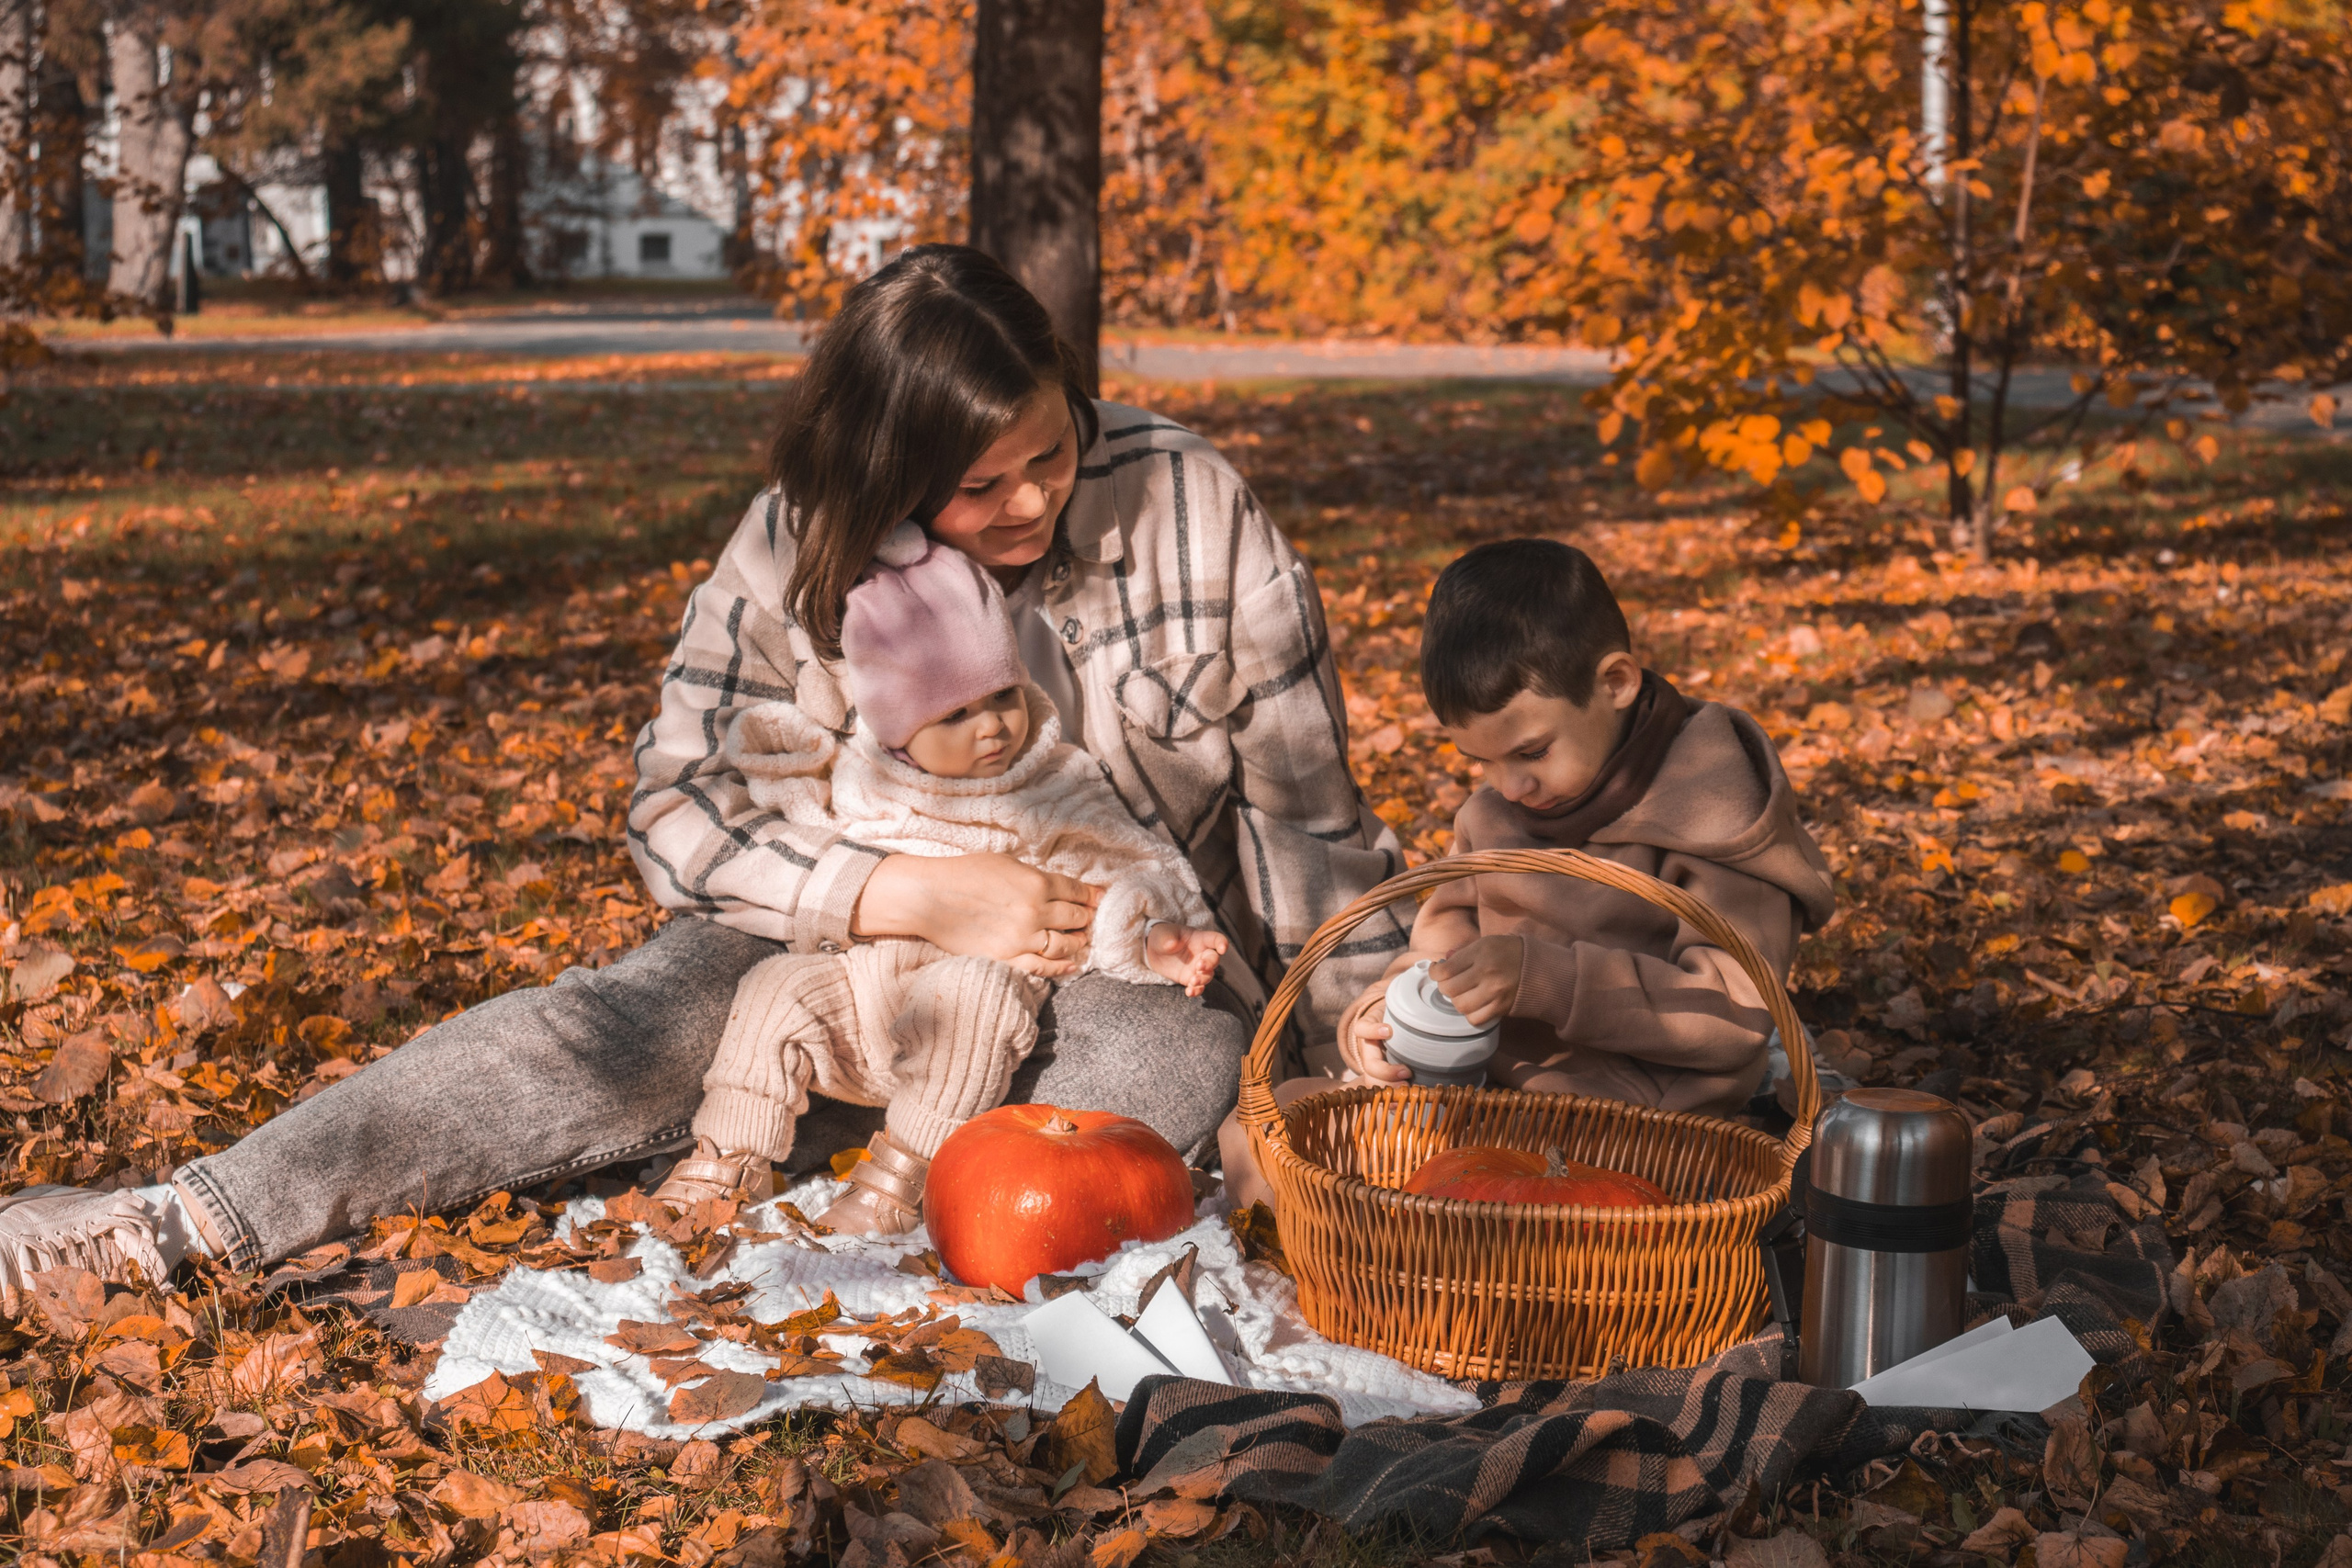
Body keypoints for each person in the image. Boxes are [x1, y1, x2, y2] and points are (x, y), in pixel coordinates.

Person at [0, 244, 1407, 1310]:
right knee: (625, 1028)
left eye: (1051, 452)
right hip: (836, 942)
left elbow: (1301, 810)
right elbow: (681, 816)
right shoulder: (796, 543)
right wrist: (901, 891)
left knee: (1165, 1063)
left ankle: (815, 1180)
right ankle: (185, 1218)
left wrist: (1363, 1027)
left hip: (1114, 969)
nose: (1032, 503)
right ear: (890, 476)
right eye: (981, 489)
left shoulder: (1191, 506)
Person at [1220, 538, 1834, 1208]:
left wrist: (1542, 977)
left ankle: (1397, 1275)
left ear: (1616, 683)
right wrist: (1383, 1019)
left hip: (1636, 1138)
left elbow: (1731, 1014)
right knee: (1267, 1124)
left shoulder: (1711, 806)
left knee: (1492, 1220)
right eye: (1480, 761)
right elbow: (1435, 953)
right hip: (1481, 1104)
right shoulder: (1497, 817)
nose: (1508, 786)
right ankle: (1310, 1282)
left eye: (1530, 751)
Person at [658, 520, 1227, 1233]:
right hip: (864, 989)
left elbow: (1114, 873)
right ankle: (728, 1154)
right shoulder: (868, 776)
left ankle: (905, 1171)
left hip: (977, 1006)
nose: (992, 727)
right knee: (773, 989)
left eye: (1003, 697)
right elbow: (807, 826)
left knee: (975, 994)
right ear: (896, 726)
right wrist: (784, 766)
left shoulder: (1053, 782)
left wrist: (1151, 940)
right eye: (955, 713)